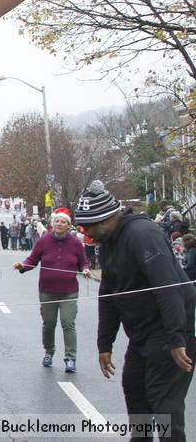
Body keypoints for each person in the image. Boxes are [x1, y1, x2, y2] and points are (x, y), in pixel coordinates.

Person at [75, 180, 195, 442]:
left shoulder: (143, 234)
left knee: (164, 404)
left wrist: (177, 340)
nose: (87, 233)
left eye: (90, 227)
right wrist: (104, 343)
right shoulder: (109, 244)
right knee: (134, 389)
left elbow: (169, 287)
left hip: (169, 331)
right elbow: (108, 294)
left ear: (107, 219)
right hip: (142, 334)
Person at [13, 207, 90, 372]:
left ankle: (71, 358)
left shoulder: (76, 243)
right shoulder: (43, 241)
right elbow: (32, 260)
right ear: (53, 224)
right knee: (48, 324)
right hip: (47, 290)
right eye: (57, 221)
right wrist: (22, 266)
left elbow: (83, 262)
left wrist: (85, 269)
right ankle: (49, 351)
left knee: (68, 323)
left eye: (63, 222)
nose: (60, 224)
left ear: (68, 226)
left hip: (69, 291)